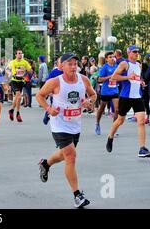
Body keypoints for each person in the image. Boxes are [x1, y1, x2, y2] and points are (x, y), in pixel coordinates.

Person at [36, 52, 96, 208]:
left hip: (75, 124)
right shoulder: (55, 82)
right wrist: (49, 108)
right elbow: (40, 96)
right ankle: (77, 195)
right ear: (61, 66)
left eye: (75, 64)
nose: (73, 66)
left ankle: (46, 164)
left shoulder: (83, 80)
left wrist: (89, 102)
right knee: (70, 155)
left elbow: (93, 94)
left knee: (64, 154)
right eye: (70, 64)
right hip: (59, 124)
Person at [106, 45, 150, 158]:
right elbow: (114, 77)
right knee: (120, 120)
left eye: (137, 52)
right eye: (134, 52)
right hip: (126, 96)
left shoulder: (139, 65)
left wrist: (141, 82)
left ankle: (142, 148)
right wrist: (127, 78)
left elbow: (136, 78)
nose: (136, 53)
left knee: (141, 122)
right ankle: (110, 137)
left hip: (137, 97)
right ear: (129, 53)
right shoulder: (124, 64)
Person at [95, 52, 119, 135]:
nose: (112, 58)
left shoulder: (117, 66)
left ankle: (114, 128)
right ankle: (97, 123)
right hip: (105, 91)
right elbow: (100, 79)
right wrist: (110, 76)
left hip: (114, 90)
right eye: (110, 57)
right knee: (101, 109)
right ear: (106, 59)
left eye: (113, 57)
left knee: (117, 109)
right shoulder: (105, 67)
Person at [6, 48, 32, 123]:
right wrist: (9, 73)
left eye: (21, 53)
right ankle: (18, 113)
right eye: (19, 53)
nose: (20, 54)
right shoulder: (12, 62)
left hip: (21, 81)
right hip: (14, 81)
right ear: (16, 55)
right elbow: (7, 69)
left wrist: (26, 70)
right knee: (19, 97)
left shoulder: (25, 62)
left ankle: (11, 110)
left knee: (17, 98)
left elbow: (30, 71)